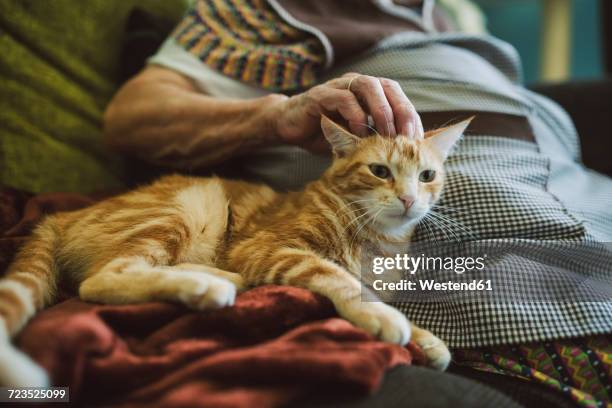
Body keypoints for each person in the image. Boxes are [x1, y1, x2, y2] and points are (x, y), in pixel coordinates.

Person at [103, 1, 612, 406]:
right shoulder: (266, 9)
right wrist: (277, 118)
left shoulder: (453, 14)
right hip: (487, 258)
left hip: (585, 203)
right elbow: (132, 116)